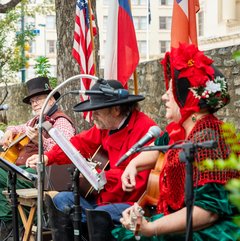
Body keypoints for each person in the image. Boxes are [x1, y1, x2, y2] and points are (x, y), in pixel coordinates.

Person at [113, 43, 240, 241]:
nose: (164, 97)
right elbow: (159, 148)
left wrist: (151, 228)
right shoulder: (182, 130)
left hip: (210, 230)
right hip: (185, 219)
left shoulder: (209, 139)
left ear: (187, 98)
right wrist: (134, 164)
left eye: (170, 91)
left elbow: (208, 212)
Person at [26, 79, 158, 241]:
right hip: (102, 199)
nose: (92, 115)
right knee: (60, 200)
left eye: (97, 111)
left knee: (95, 215)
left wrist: (96, 175)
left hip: (130, 203)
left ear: (116, 110)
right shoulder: (106, 126)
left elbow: (137, 181)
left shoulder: (144, 129)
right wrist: (48, 156)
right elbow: (78, 143)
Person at [0, 76, 76, 240]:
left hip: (43, 176)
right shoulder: (36, 120)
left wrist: (39, 141)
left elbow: (65, 152)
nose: (34, 103)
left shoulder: (61, 122)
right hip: (23, 171)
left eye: (39, 99)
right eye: (32, 100)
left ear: (51, 99)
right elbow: (17, 127)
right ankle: (10, 225)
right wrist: (9, 131)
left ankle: (12, 227)